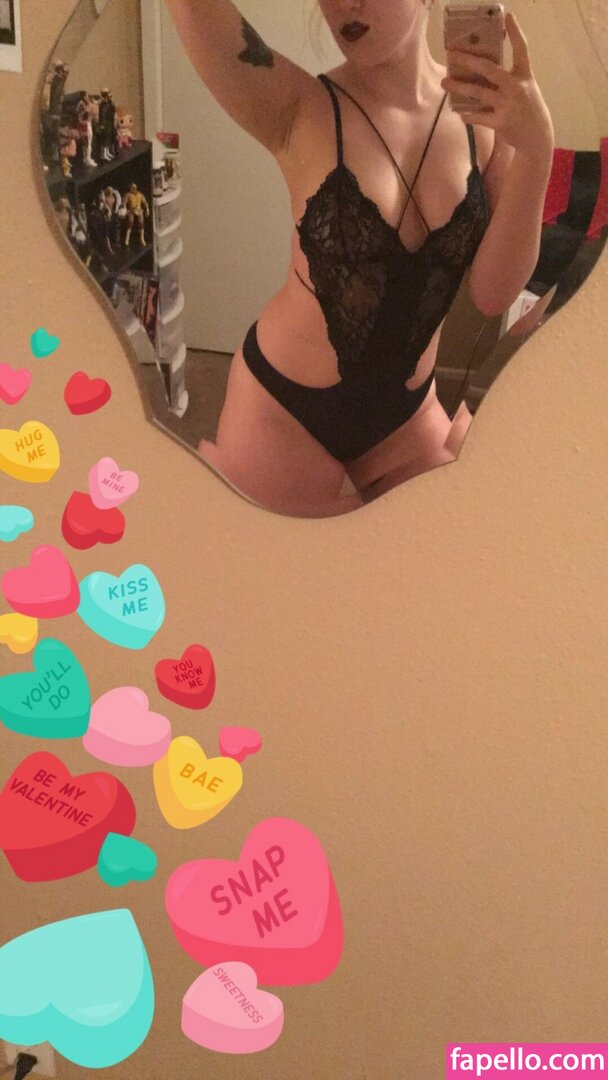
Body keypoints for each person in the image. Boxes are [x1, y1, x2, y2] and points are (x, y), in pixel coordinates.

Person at [166, 0, 554, 517]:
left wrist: (536, 150)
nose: (345, 3)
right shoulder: (297, 106)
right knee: (277, 566)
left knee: (444, 548)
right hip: (284, 411)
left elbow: (493, 294)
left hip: (407, 418)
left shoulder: (483, 120)